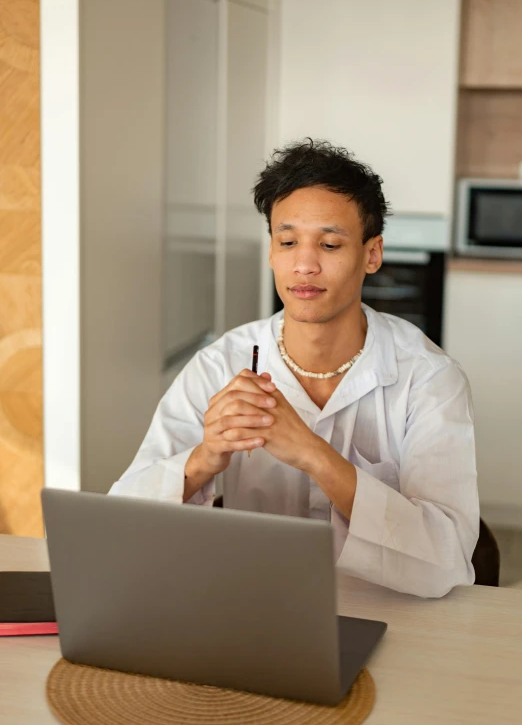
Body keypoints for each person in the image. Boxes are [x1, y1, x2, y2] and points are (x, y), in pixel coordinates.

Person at [109, 139, 480, 598]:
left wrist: (312, 453)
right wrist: (205, 458)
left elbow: (448, 557)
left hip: (392, 611)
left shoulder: (429, 377)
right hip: (255, 606)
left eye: (328, 243)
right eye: (287, 242)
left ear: (372, 253)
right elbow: (117, 522)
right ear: (271, 251)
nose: (304, 264)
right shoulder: (221, 365)